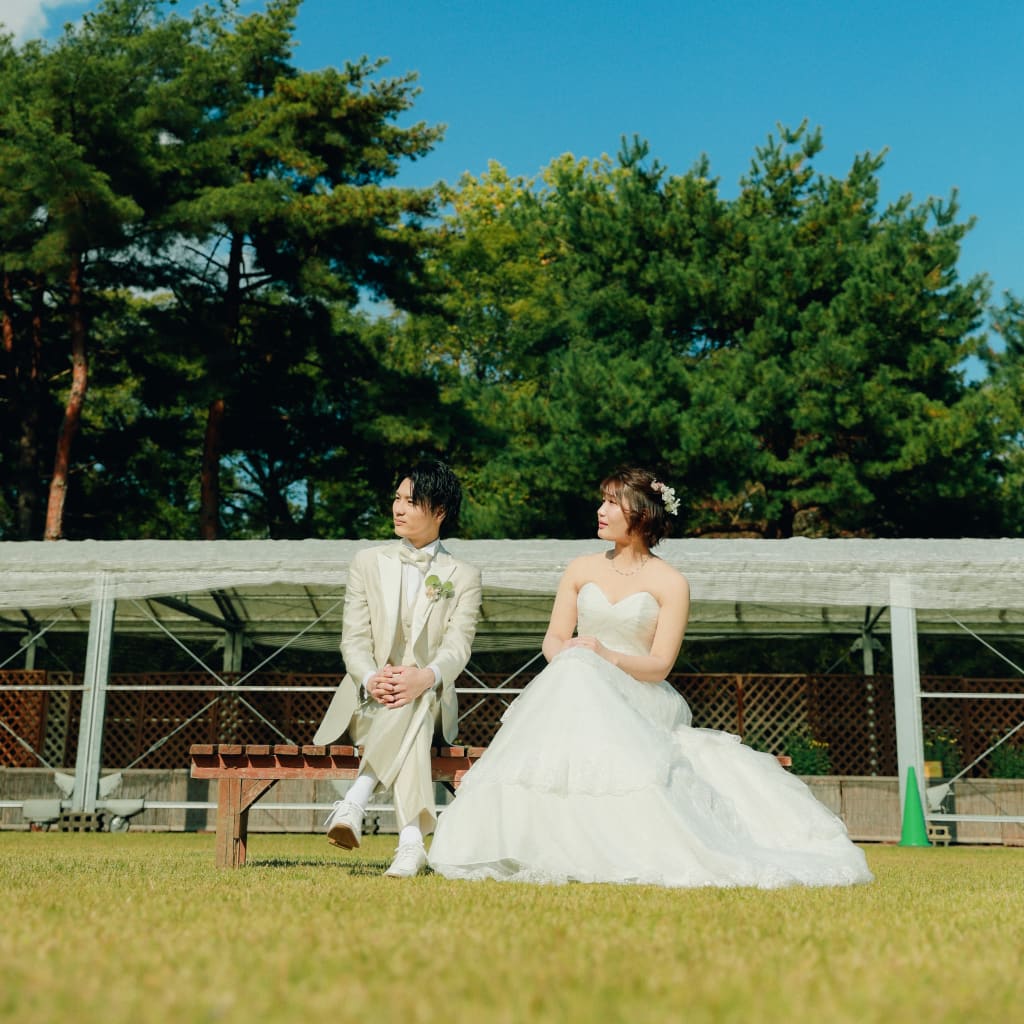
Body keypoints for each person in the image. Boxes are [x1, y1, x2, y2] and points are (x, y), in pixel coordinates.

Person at [428, 467, 873, 888]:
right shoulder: (581, 568)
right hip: (572, 688)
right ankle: (534, 842)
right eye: (601, 502)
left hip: (639, 693)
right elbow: (554, 642)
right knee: (573, 673)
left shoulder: (670, 582)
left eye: (610, 503)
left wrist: (605, 656)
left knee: (584, 671)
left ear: (640, 513)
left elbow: (660, 664)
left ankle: (623, 843)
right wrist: (579, 660)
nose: (600, 511)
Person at [315, 460, 482, 877]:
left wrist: (425, 677)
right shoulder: (366, 562)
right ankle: (411, 841)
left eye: (411, 501)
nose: (398, 508)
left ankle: (357, 795)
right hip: (366, 701)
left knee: (417, 698)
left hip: (429, 698)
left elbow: (457, 647)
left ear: (439, 511)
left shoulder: (463, 576)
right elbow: (353, 640)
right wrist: (373, 679)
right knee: (406, 704)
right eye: (397, 498)